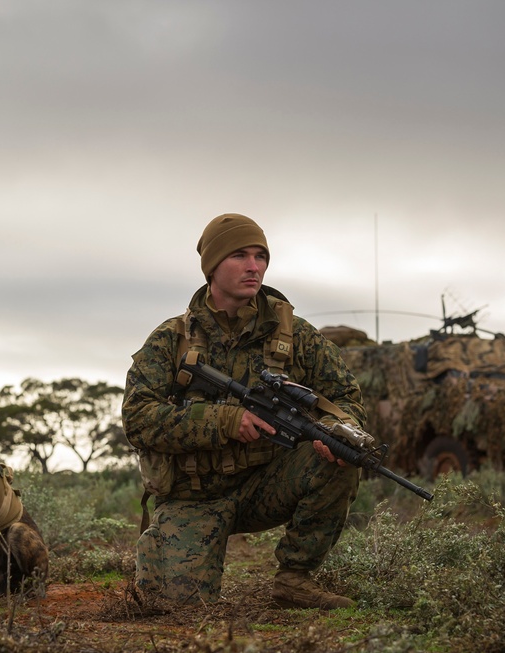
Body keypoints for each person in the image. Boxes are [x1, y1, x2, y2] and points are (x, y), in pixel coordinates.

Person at [123, 213, 367, 609]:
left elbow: (346, 396)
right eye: (240, 255)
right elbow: (137, 419)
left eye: (261, 256)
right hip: (193, 496)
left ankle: (294, 579)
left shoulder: (297, 335)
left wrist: (340, 429)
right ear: (212, 266)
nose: (254, 266)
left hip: (265, 486)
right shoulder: (171, 340)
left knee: (340, 457)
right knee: (171, 606)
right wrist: (224, 422)